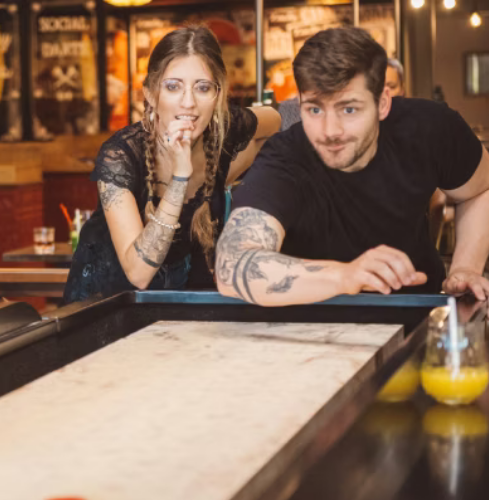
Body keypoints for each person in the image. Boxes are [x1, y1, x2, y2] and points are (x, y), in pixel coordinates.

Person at [216, 27, 489, 306]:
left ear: (382, 103)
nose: (330, 131)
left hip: (418, 309)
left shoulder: (429, 128)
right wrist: (347, 276)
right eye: (314, 109)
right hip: (312, 317)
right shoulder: (285, 158)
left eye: (349, 109)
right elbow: (232, 264)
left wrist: (465, 268)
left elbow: (480, 190)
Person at [62, 25, 280, 303]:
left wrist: (223, 173)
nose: (188, 102)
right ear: (151, 94)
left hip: (179, 305)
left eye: (203, 88)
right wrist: (180, 177)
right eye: (173, 87)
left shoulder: (226, 128)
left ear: (218, 95)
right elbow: (138, 274)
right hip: (106, 305)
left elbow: (275, 120)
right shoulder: (119, 156)